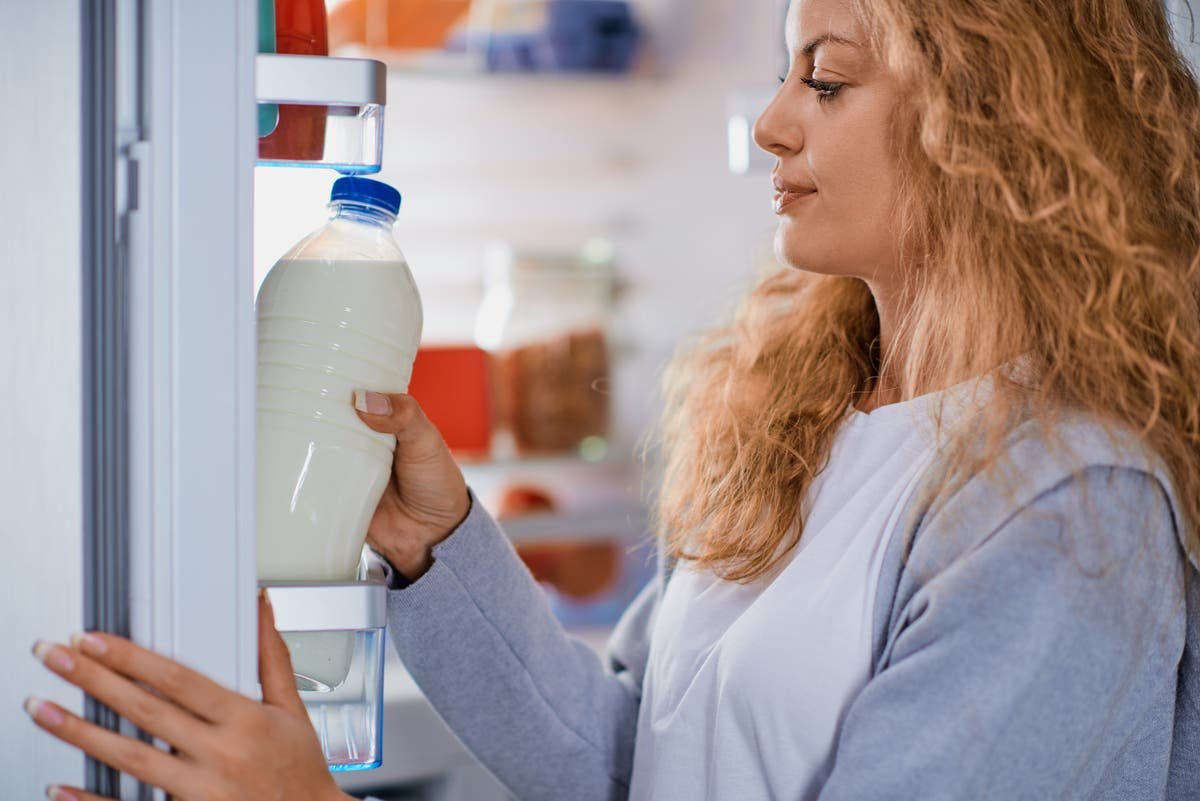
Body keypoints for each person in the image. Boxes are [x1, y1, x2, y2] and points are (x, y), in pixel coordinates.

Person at [23, 0, 1200, 798]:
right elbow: (632, 762)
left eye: (827, 79)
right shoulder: (815, 415)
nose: (772, 121)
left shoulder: (1068, 515)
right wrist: (439, 548)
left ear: (993, 118)